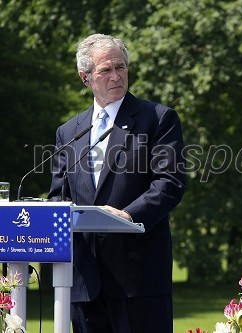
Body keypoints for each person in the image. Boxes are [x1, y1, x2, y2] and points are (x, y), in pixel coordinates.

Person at [48, 33, 186, 333]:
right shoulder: (69, 132)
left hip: (138, 279)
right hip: (85, 282)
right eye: (105, 70)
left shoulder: (158, 119)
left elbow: (169, 183)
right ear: (86, 78)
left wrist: (129, 214)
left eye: (120, 67)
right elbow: (59, 198)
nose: (116, 76)